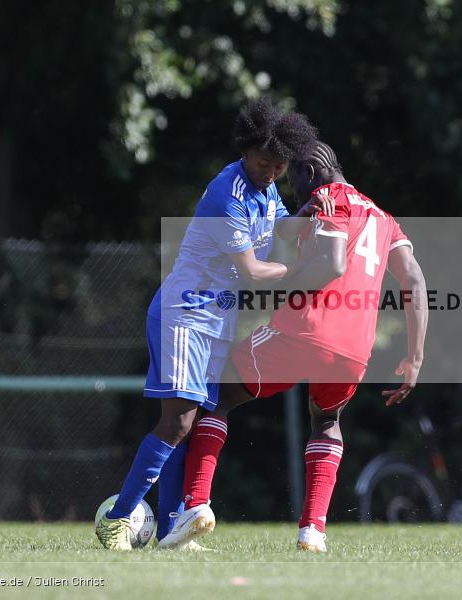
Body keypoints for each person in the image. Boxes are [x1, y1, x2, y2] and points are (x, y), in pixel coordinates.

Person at [157, 141, 429, 552]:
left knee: (216, 396)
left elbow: (333, 263)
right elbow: (414, 279)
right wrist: (415, 356)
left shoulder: (329, 197)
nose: (293, 193)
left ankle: (195, 504)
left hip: (305, 329)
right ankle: (313, 530)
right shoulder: (382, 217)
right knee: (327, 421)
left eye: (292, 180)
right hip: (355, 347)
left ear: (308, 172)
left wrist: (281, 284)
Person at [95, 98, 323, 550]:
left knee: (190, 423)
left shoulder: (266, 191)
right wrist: (302, 270)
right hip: (186, 313)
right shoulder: (227, 193)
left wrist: (315, 214)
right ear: (245, 151)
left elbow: (282, 229)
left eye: (279, 166)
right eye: (263, 163)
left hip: (217, 319)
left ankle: (169, 531)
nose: (271, 172)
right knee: (178, 422)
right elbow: (252, 271)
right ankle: (117, 519)